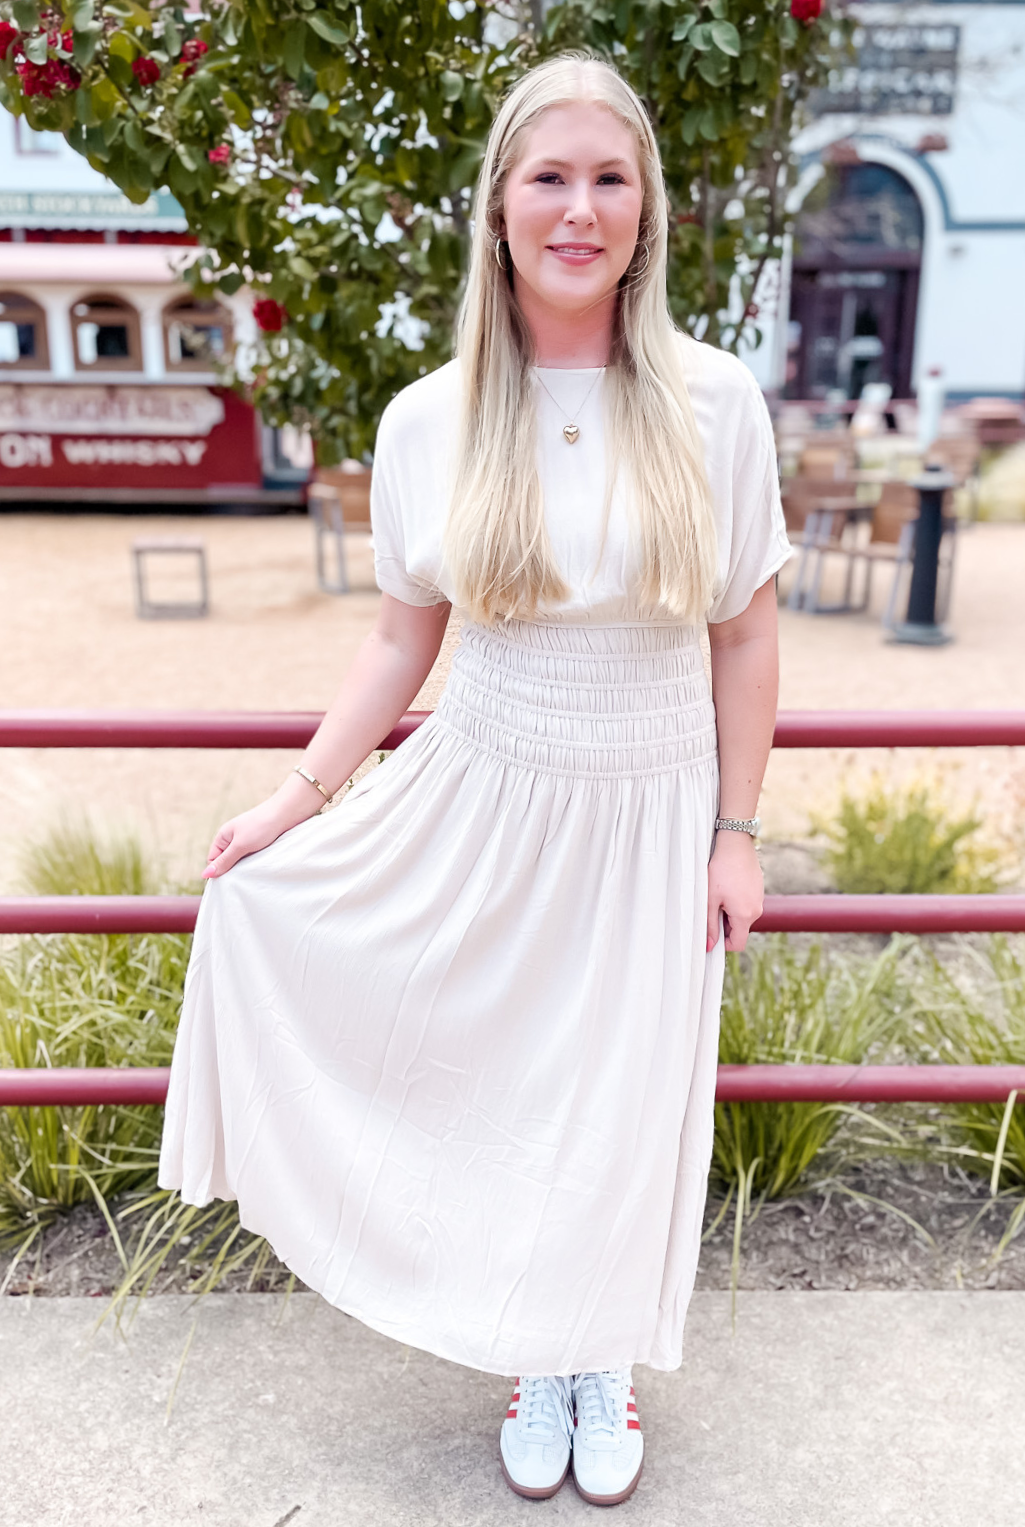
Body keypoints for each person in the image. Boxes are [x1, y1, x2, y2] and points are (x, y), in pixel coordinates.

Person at [158, 52, 789, 1509]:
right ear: (498, 205)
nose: (581, 210)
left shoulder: (714, 401)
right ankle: (530, 1339)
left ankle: (595, 1349)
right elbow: (399, 640)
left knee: (620, 1094)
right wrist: (295, 800)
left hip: (653, 802)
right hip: (487, 786)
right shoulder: (433, 418)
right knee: (505, 1076)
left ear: (649, 208)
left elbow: (746, 633)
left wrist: (738, 831)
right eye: (550, 177)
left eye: (610, 178)